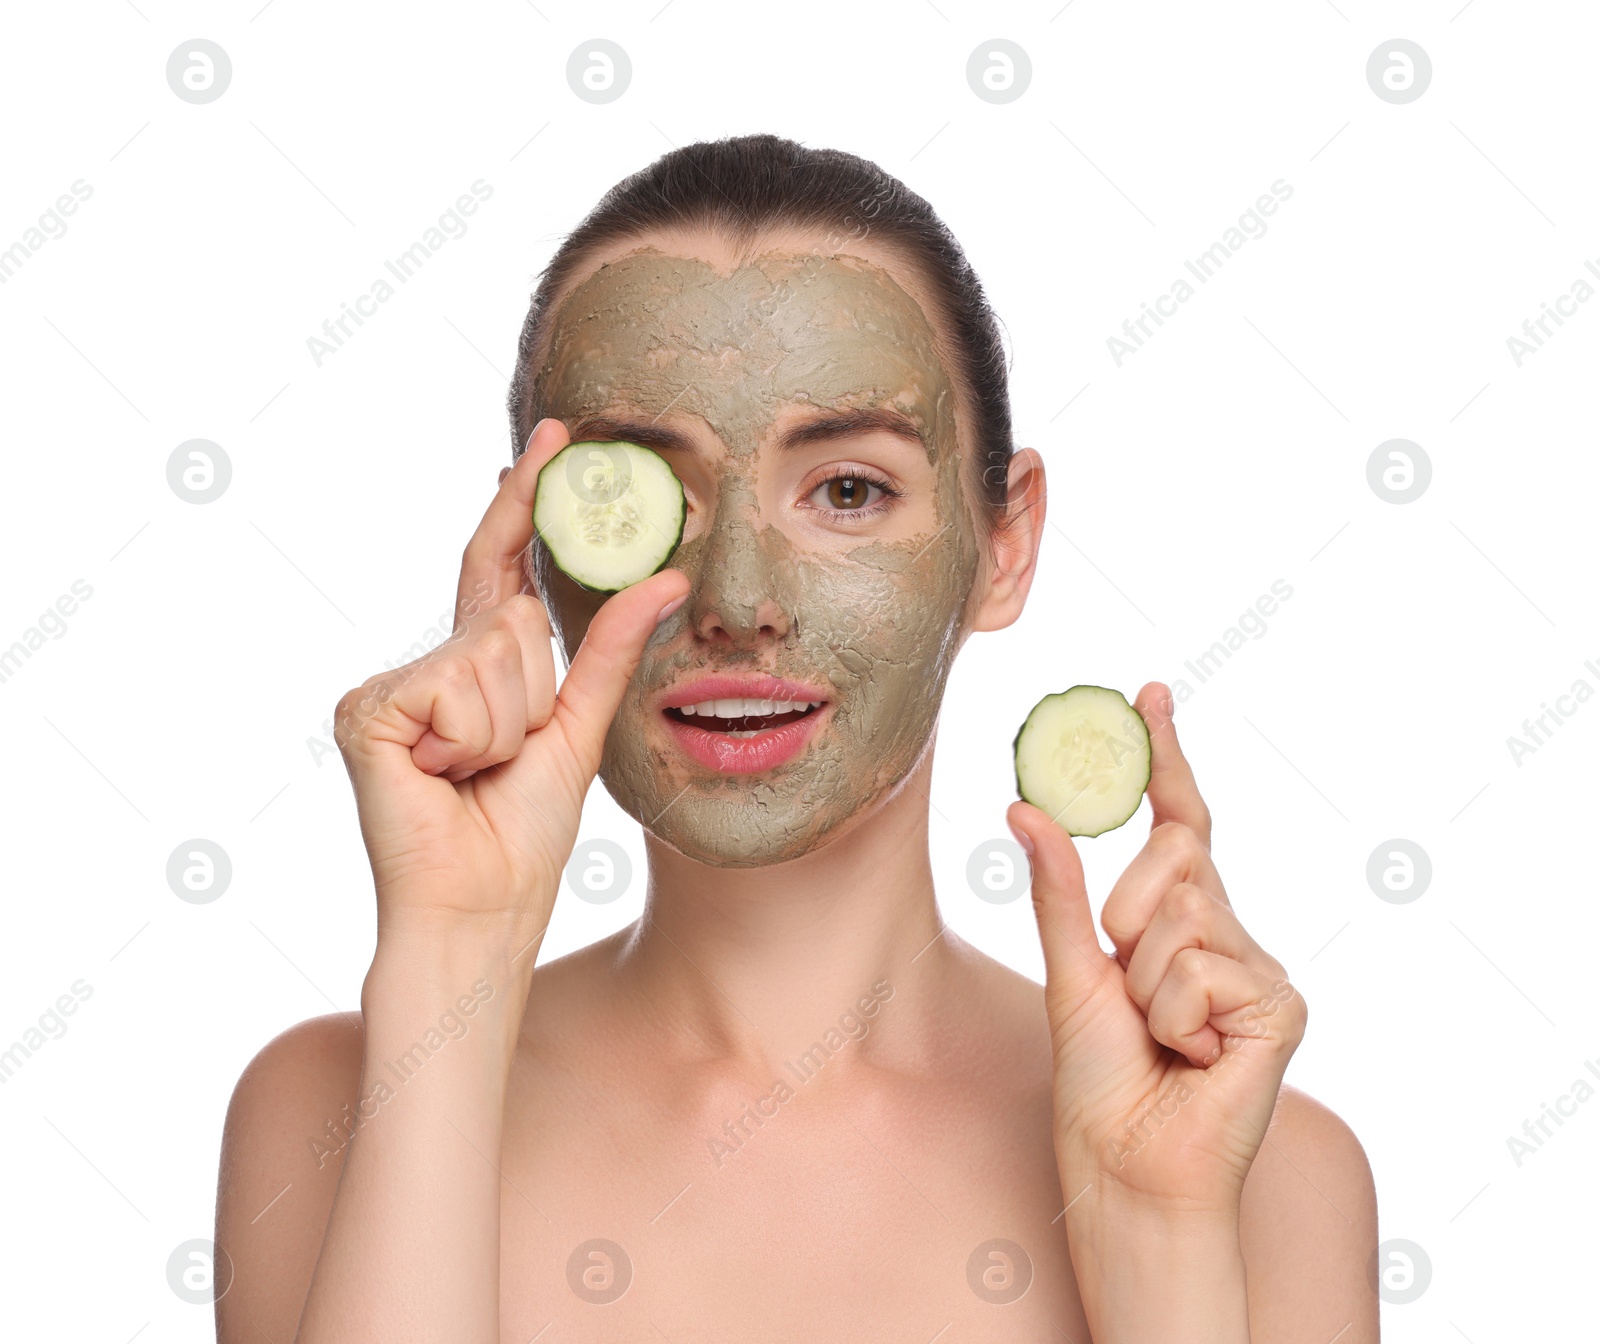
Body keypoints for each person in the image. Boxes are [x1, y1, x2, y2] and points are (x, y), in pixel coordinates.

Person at [215, 133, 1377, 1342]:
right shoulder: (329, 1113)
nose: (735, 598)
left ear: (1005, 543)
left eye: (846, 491)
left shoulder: (1262, 1173)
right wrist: (453, 966)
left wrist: (1164, 1248)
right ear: (535, 546)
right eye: (645, 496)